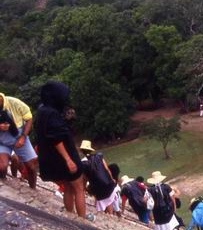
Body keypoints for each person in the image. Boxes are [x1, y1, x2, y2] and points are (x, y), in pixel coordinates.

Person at [35, 81, 86, 218]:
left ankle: (70, 215)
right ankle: (82, 219)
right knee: (79, 188)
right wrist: (69, 160)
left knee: (68, 187)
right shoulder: (52, 114)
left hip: (54, 158)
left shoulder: (42, 110)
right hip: (65, 155)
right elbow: (56, 139)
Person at [0, 92, 37, 189]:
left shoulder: (15, 102)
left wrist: (23, 137)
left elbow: (29, 118)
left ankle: (33, 189)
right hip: (2, 141)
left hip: (19, 136)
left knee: (31, 166)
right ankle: (3, 183)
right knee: (2, 166)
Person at [80, 140, 119, 215]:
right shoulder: (99, 156)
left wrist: (84, 188)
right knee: (109, 198)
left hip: (97, 189)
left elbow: (85, 178)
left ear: (82, 151)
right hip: (108, 184)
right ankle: (110, 215)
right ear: (90, 150)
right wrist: (112, 179)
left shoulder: (83, 163)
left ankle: (103, 213)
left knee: (100, 198)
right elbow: (107, 169)